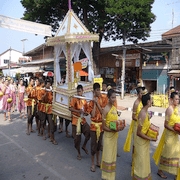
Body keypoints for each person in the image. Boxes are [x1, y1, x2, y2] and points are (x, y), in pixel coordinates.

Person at [153, 91, 180, 179]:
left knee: (177, 154)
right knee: (167, 153)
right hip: (169, 135)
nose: (178, 101)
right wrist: (174, 130)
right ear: (171, 100)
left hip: (175, 135)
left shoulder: (176, 109)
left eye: (178, 99)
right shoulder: (169, 109)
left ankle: (177, 174)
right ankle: (160, 170)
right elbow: (166, 125)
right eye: (176, 99)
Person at [132, 89, 157, 180]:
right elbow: (139, 133)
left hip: (144, 142)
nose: (152, 101)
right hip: (141, 143)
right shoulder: (142, 113)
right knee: (141, 165)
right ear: (147, 102)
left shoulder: (145, 112)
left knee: (144, 164)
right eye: (151, 100)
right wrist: (150, 138)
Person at [101, 89, 124, 180]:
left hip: (114, 136)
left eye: (115, 97)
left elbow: (114, 122)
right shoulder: (105, 110)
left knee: (113, 156)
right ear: (108, 98)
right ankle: (106, 176)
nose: (114, 99)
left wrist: (119, 126)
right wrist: (112, 130)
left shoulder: (114, 108)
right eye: (112, 97)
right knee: (108, 156)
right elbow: (104, 127)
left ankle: (111, 176)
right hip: (108, 137)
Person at [87, 83, 107, 172]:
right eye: (97, 90)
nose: (99, 92)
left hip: (101, 126)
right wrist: (94, 103)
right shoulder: (90, 102)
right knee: (93, 146)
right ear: (94, 91)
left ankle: (98, 161)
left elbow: (103, 112)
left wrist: (97, 103)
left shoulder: (104, 98)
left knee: (99, 145)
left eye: (99, 90)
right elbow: (92, 114)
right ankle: (92, 163)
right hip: (93, 126)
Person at [69, 84, 90, 160]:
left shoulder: (84, 99)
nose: (79, 93)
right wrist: (78, 111)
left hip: (82, 120)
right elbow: (70, 108)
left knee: (89, 132)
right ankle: (79, 153)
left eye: (80, 91)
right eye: (77, 92)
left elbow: (87, 110)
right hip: (75, 120)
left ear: (82, 91)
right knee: (77, 139)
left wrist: (86, 113)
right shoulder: (74, 98)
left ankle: (84, 145)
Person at [123, 86, 143, 155]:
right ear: (137, 94)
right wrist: (140, 120)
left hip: (142, 125)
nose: (142, 95)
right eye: (141, 93)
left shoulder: (142, 102)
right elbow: (133, 116)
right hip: (136, 125)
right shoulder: (136, 103)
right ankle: (134, 159)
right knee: (135, 143)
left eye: (143, 93)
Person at [44, 80, 57, 144]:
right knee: (50, 123)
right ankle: (52, 138)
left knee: (51, 123)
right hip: (47, 109)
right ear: (45, 85)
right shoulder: (44, 91)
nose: (49, 86)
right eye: (48, 84)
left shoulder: (52, 92)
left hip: (53, 109)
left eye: (50, 84)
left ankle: (50, 135)